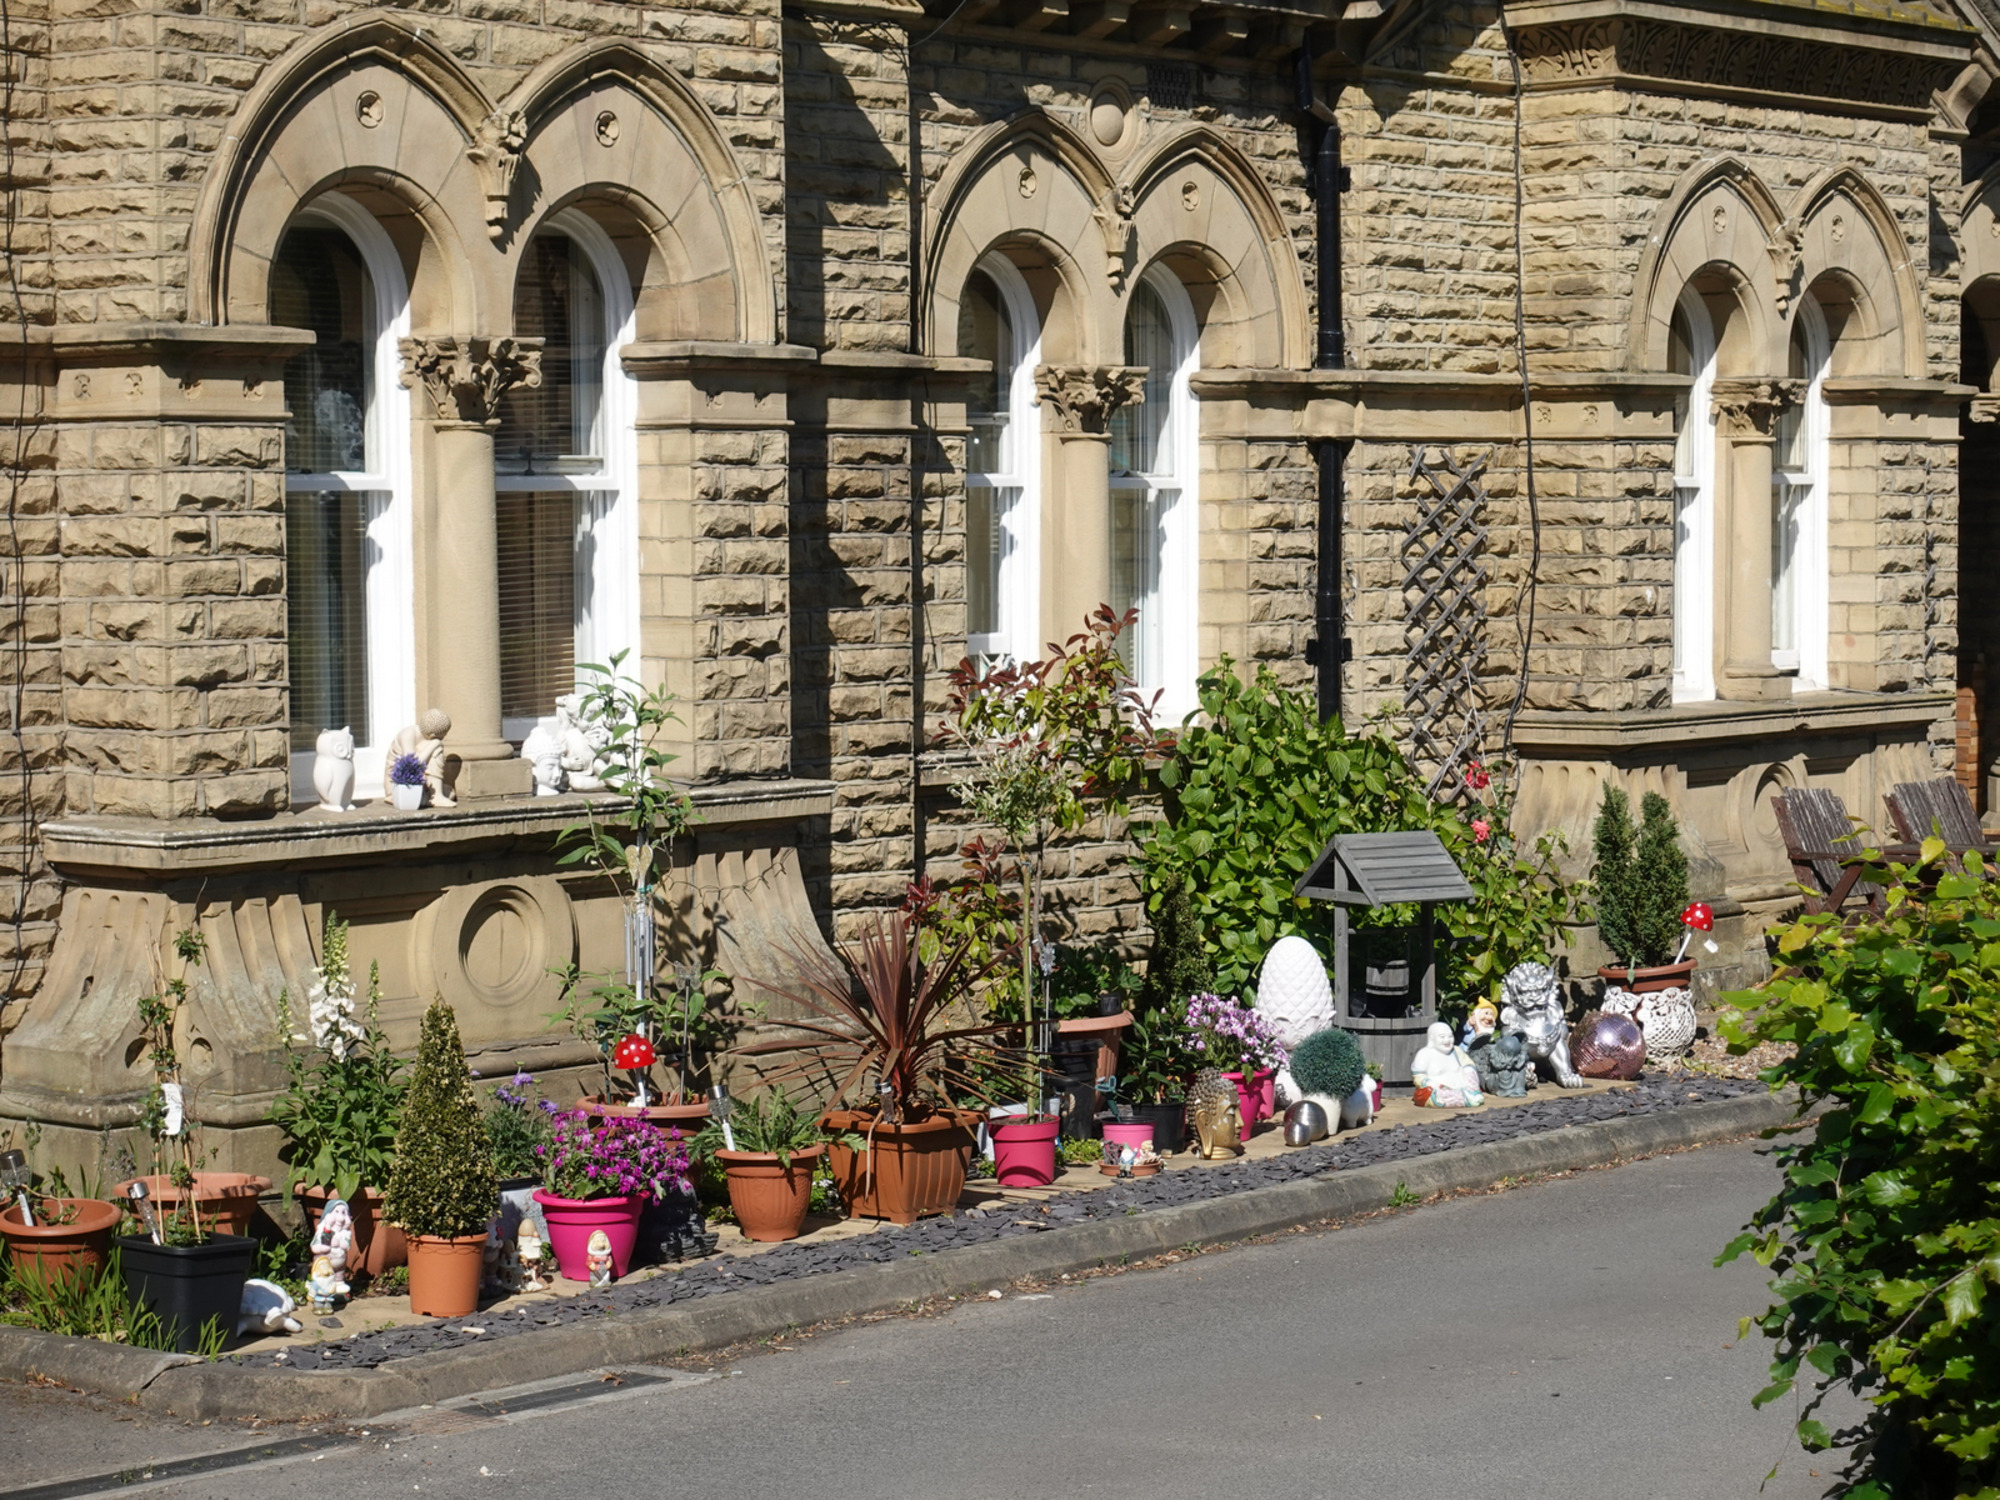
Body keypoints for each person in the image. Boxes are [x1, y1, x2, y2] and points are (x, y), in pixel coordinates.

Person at [1409, 1021, 1485, 1108]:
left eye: (1450, 1036)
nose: (1447, 1040)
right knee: (1432, 1094)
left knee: (1470, 1075)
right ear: (1432, 1038)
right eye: (1442, 1037)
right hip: (1440, 1092)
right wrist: (1433, 1084)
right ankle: (1466, 1099)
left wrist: (1470, 1079)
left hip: (1463, 1089)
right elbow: (1419, 1076)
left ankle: (1468, 1097)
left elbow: (1469, 1066)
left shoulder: (1457, 1051)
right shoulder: (1424, 1054)